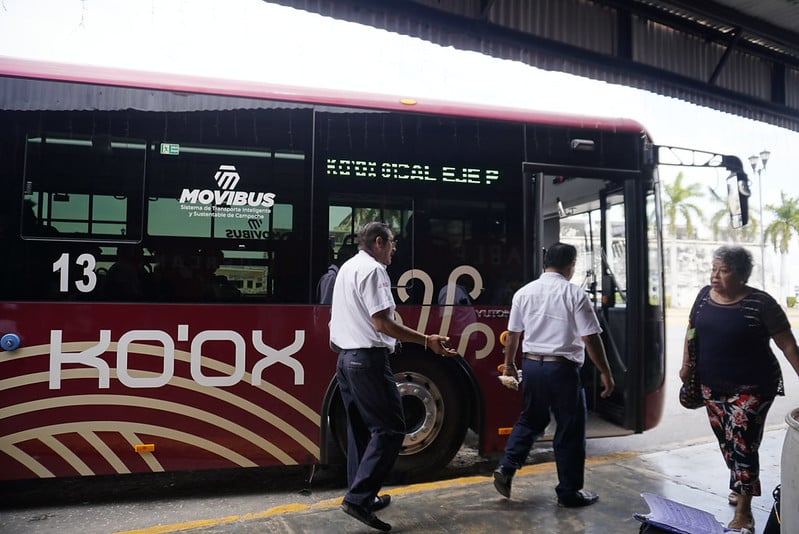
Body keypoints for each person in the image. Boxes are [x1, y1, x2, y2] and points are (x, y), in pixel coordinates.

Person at [329, 221, 457, 532]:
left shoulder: (347, 267)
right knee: (391, 430)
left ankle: (363, 494)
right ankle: (358, 499)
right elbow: (383, 323)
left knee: (360, 430)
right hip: (367, 361)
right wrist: (426, 340)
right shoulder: (374, 271)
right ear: (378, 242)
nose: (394, 249)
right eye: (392, 242)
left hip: (345, 359)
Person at [679, 245, 799, 531]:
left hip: (753, 387)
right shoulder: (703, 297)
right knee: (727, 442)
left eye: (724, 271)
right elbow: (691, 330)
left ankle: (744, 512)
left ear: (743, 275)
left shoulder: (761, 304)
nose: (715, 276)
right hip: (711, 384)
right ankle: (740, 483)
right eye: (714, 269)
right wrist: (686, 365)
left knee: (743, 444)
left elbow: (788, 345)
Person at [492, 242, 615, 507]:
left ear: (545, 263)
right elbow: (590, 338)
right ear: (571, 265)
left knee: (531, 419)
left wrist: (509, 365)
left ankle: (507, 465)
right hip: (562, 369)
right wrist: (605, 371)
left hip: (532, 366)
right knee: (570, 428)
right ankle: (569, 492)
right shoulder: (574, 294)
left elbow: (513, 334)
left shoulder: (524, 293)